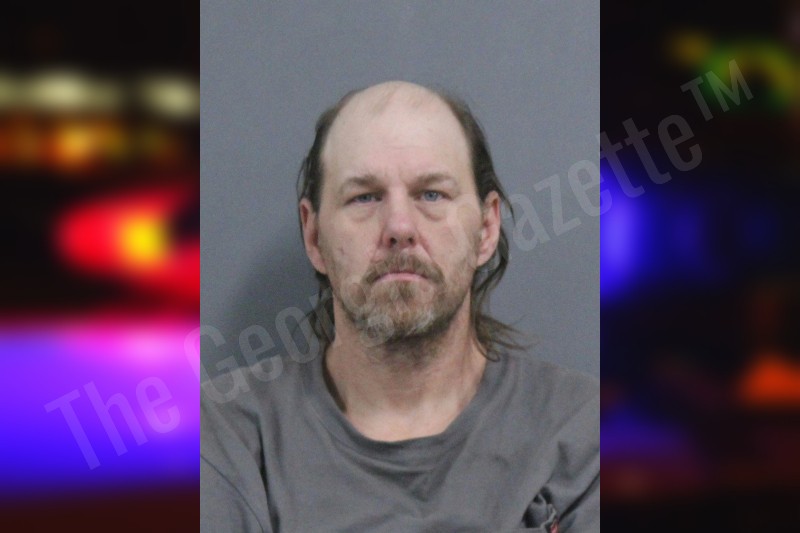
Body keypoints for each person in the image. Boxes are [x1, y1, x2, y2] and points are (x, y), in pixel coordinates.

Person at [201, 81, 599, 532]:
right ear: (313, 236)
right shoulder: (226, 439)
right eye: (364, 197)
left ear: (487, 228)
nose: (399, 227)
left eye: (432, 194)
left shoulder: (587, 436)